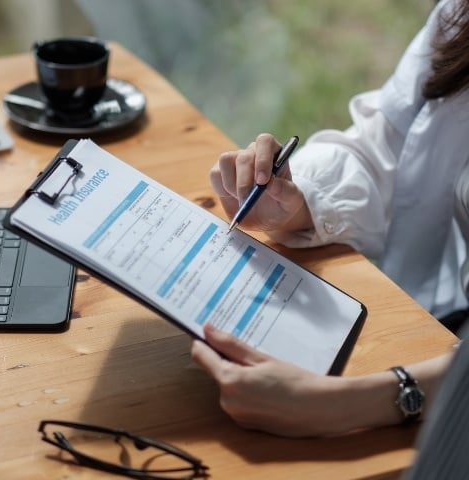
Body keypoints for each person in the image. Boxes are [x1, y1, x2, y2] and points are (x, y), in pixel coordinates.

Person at [191, 0, 469, 445]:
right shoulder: (460, 16)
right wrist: (297, 203)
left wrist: (339, 404)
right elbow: (389, 143)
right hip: (432, 335)